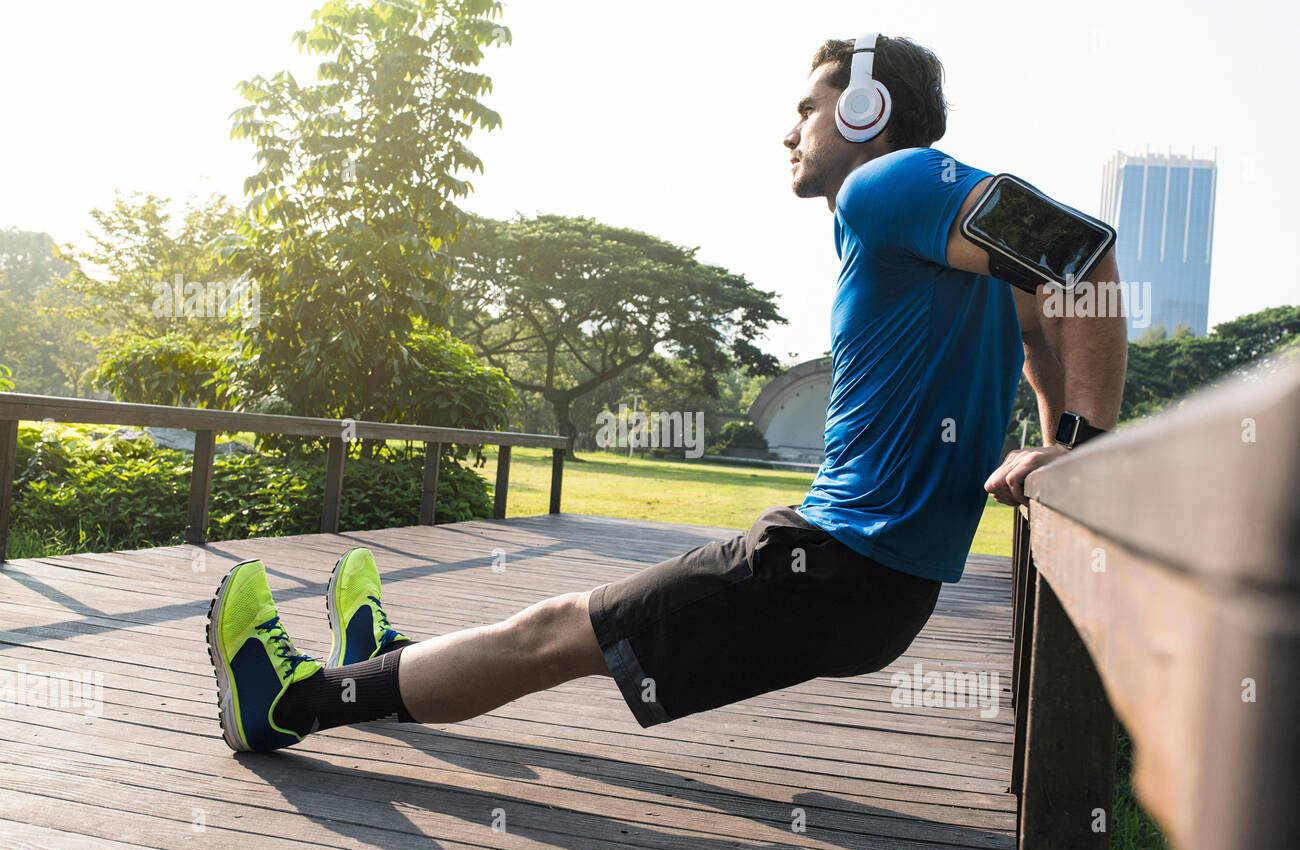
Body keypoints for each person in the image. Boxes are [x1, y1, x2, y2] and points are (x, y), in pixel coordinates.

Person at [205, 32, 1127, 753]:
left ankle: (291, 703)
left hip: (843, 562)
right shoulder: (941, 220)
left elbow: (1079, 252)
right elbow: (1044, 326)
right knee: (568, 636)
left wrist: (1077, 449)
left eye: (807, 108)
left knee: (554, 632)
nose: (788, 130)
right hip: (885, 589)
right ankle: (380, 663)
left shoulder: (889, 183)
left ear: (866, 109)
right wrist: (1064, 448)